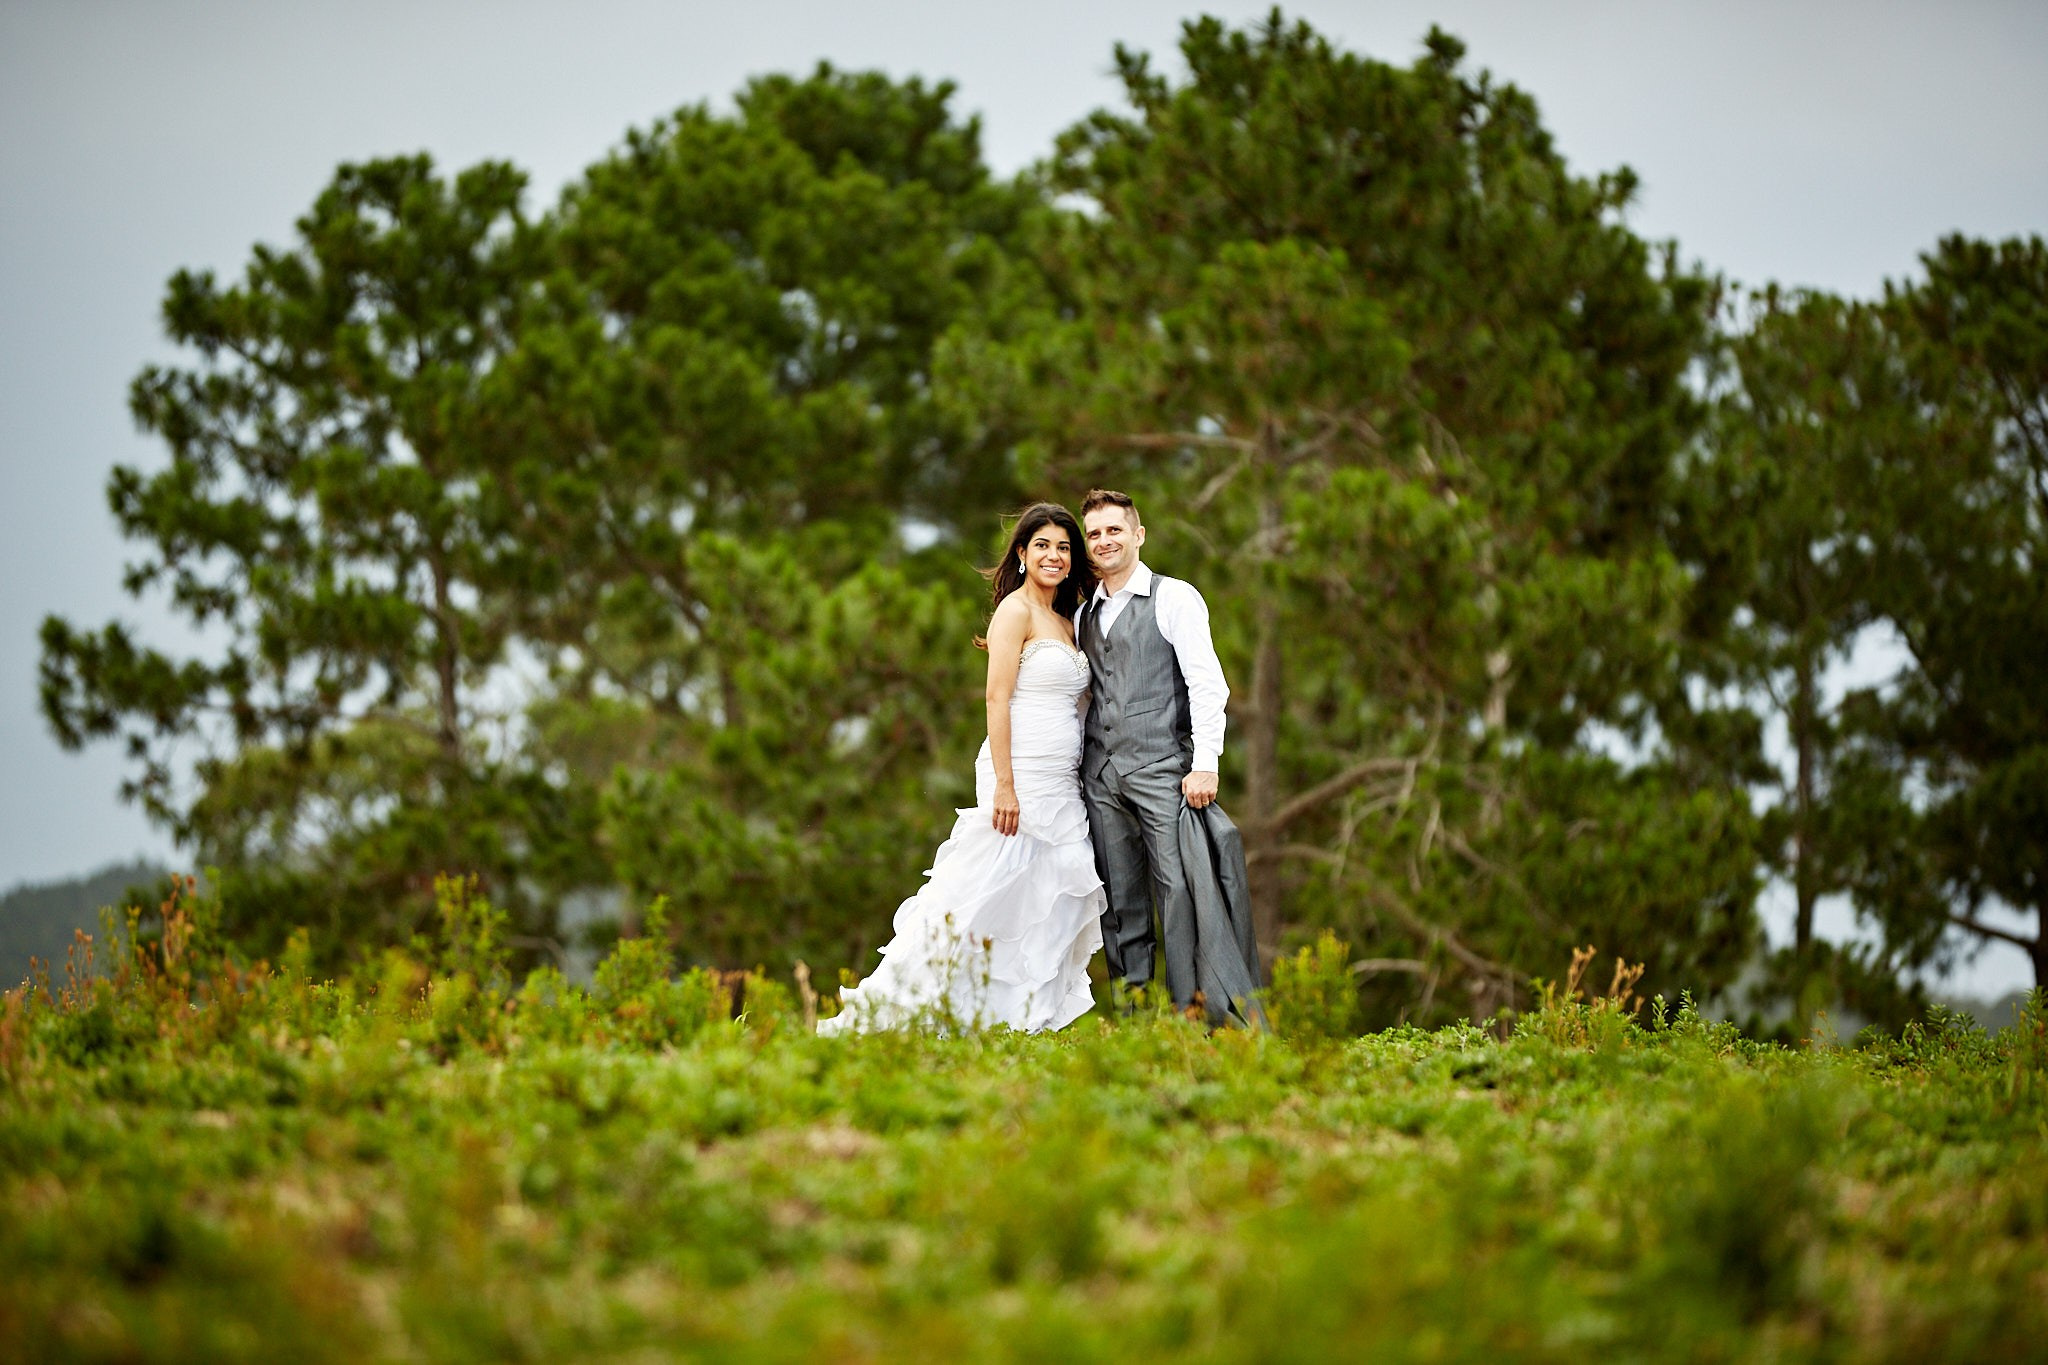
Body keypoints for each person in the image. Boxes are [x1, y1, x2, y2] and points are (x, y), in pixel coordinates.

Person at [820, 503, 1105, 1034]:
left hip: (1063, 780)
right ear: (1022, 554)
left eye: (1064, 547)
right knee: (982, 894)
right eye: (1043, 545)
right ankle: (903, 1004)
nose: (1055, 555)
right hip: (1018, 771)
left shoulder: (1070, 621)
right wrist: (1005, 785)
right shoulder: (1015, 612)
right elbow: (997, 699)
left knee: (1053, 894)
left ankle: (1024, 1017)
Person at [1077, 489, 1263, 1024]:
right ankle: (1136, 1023)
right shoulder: (1085, 612)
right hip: (1101, 777)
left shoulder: (1174, 597)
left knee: (1179, 895)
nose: (1104, 541)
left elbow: (1208, 684)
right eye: (1094, 534)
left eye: (1115, 530)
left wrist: (1206, 763)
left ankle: (1192, 1018)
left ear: (1138, 535)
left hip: (1164, 771)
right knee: (1120, 903)